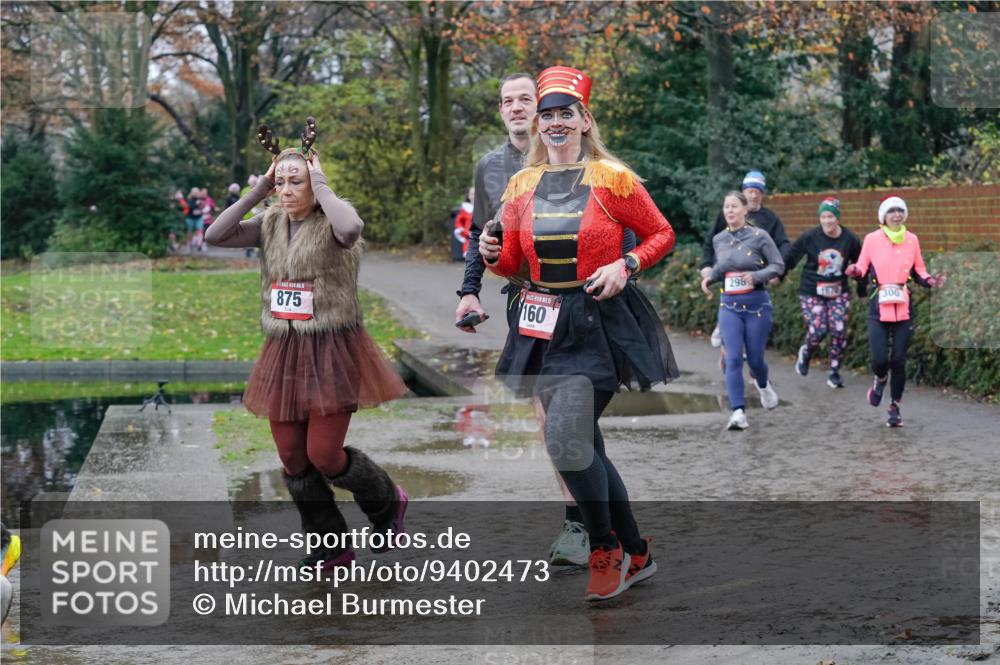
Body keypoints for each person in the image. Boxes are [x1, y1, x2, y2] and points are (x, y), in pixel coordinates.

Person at [481, 66, 678, 601]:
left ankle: (604, 547)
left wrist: (627, 265)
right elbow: (515, 264)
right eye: (547, 115)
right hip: (540, 325)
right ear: (539, 126)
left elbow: (662, 233)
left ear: (584, 119)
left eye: (566, 113)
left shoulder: (613, 178)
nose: (555, 123)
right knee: (584, 444)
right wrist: (492, 257)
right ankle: (637, 552)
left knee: (565, 438)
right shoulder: (522, 185)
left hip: (598, 320)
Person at [206, 118, 408, 567]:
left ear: (315, 182)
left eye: (295, 181)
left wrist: (320, 182)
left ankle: (386, 503)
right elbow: (214, 236)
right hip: (284, 348)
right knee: (293, 458)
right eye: (282, 182)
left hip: (333, 346)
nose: (287, 190)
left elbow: (352, 229)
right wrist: (258, 191)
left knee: (324, 454)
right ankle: (330, 543)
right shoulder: (270, 223)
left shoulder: (334, 221)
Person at [845, 195, 945, 427]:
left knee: (899, 360)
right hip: (878, 305)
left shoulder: (912, 240)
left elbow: (919, 270)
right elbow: (862, 266)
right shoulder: (872, 239)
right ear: (884, 216)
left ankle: (894, 407)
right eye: (892, 211)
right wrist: (854, 270)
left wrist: (931, 281)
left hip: (903, 306)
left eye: (900, 210)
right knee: (880, 359)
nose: (897, 215)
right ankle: (880, 379)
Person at [700, 191, 784, 431]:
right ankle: (738, 412)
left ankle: (764, 386)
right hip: (729, 306)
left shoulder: (760, 237)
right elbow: (723, 268)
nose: (729, 211)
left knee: (756, 360)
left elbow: (778, 265)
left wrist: (756, 276)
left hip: (757, 305)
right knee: (733, 358)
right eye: (726, 207)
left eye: (734, 206)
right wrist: (709, 278)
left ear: (745, 209)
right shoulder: (719, 239)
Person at [700, 171, 790, 367]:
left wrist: (777, 270)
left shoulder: (770, 218)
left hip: (755, 276)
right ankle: (728, 346)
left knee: (753, 326)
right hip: (727, 272)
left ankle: (753, 367)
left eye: (757, 191)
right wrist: (707, 266)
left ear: (762, 194)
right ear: (743, 192)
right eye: (750, 191)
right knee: (730, 307)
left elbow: (783, 244)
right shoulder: (729, 212)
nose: (753, 195)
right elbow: (710, 240)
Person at [786, 197, 861, 388]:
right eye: (823, 217)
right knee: (818, 328)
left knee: (839, 330)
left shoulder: (849, 239)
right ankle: (807, 351)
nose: (827, 221)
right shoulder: (811, 236)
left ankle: (834, 371)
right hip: (812, 290)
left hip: (838, 291)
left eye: (830, 217)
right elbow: (792, 256)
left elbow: (860, 265)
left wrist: (861, 286)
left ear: (837, 218)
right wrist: (779, 273)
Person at [453, 187, 474, 259]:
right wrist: (462, 230)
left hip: (481, 238)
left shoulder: (483, 208)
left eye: (475, 194)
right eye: (472, 194)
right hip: (469, 237)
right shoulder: (465, 208)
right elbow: (458, 221)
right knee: (470, 259)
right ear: (468, 196)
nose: (474, 196)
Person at [184, 187, 204, 252]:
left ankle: (199, 245)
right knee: (190, 231)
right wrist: (197, 204)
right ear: (192, 193)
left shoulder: (201, 199)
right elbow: (190, 207)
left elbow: (203, 206)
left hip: (199, 217)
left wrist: (201, 205)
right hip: (190, 218)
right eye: (195, 192)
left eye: (197, 192)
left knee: (200, 230)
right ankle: (189, 244)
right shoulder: (190, 199)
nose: (196, 194)